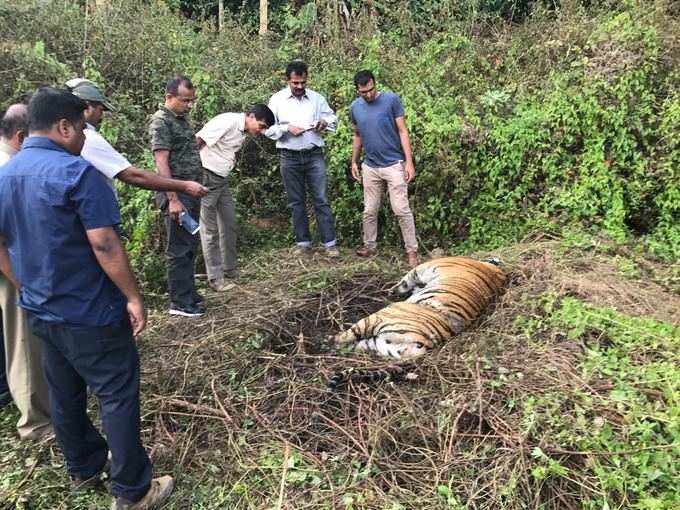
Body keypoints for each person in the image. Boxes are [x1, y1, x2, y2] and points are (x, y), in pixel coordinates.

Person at [0, 87, 172, 509]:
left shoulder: (5, 175)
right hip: (90, 312)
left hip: (41, 310)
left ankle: (83, 467)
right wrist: (133, 296)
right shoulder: (78, 174)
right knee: (116, 393)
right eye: (82, 128)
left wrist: (23, 284)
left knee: (65, 393)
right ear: (63, 126)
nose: (83, 137)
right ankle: (133, 491)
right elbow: (105, 246)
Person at [0, 104, 52, 440]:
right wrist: (21, 281)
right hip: (9, 266)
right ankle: (35, 422)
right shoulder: (7, 167)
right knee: (24, 341)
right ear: (21, 136)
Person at [65, 78, 208, 199]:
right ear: (87, 107)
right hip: (180, 190)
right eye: (100, 110)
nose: (101, 117)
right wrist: (179, 191)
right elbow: (134, 175)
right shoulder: (88, 139)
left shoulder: (183, 120)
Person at [196, 104, 275, 291]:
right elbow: (198, 140)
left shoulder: (242, 131)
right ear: (251, 116)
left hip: (221, 180)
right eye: (261, 126)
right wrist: (192, 173)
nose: (261, 131)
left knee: (229, 223)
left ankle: (229, 268)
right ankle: (215, 278)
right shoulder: (228, 121)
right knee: (210, 229)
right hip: (206, 177)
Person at [266, 61, 340, 257]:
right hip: (288, 156)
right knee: (296, 201)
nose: (299, 87)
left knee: (321, 199)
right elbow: (266, 128)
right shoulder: (277, 100)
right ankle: (303, 243)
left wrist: (324, 122)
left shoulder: (316, 98)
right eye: (295, 83)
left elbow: (333, 119)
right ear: (287, 80)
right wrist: (286, 128)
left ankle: (329, 243)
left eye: (302, 83)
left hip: (313, 154)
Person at [350, 70, 419, 268]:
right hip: (370, 166)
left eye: (371, 89)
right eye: (364, 92)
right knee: (370, 210)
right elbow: (357, 135)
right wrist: (354, 161)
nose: (369, 95)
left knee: (401, 209)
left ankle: (412, 251)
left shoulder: (391, 100)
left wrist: (409, 162)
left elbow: (402, 131)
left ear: (375, 84)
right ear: (357, 90)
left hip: (393, 164)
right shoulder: (355, 107)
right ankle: (369, 245)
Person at [149, 75, 205, 317]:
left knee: (190, 243)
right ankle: (179, 302)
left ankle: (189, 292)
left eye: (191, 101)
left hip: (190, 192)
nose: (189, 105)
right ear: (169, 97)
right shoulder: (161, 122)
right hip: (176, 194)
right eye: (184, 101)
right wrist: (173, 199)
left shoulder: (181, 119)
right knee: (178, 247)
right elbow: (161, 161)